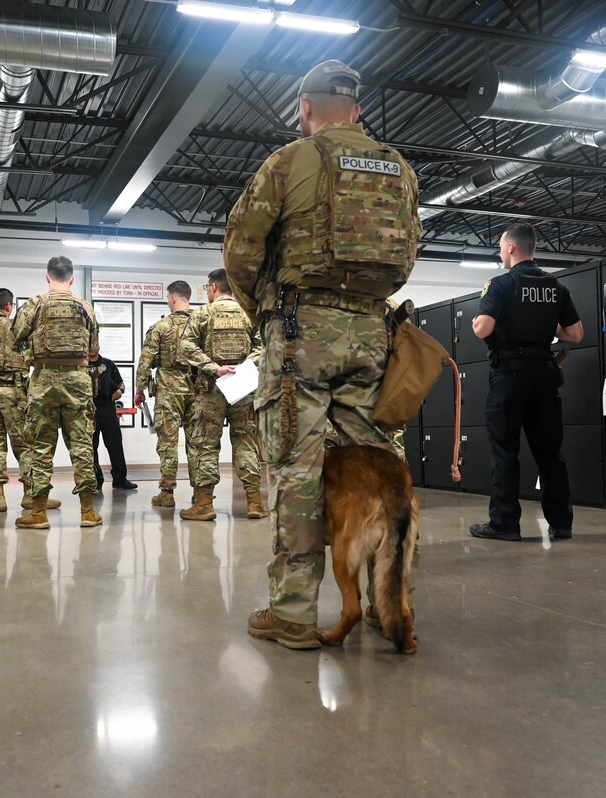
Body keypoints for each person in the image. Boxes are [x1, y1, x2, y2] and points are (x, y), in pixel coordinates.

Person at [225, 60, 422, 649]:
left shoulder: (289, 161)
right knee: (375, 466)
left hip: (298, 336)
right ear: (357, 111)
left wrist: (262, 311)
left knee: (297, 470)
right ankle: (392, 604)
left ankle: (293, 614)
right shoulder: (399, 168)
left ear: (305, 109)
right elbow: (407, 254)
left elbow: (241, 248)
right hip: (370, 334)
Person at [470, 222, 583, 542]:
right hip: (545, 375)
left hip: (509, 374)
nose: (500, 253)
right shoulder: (556, 286)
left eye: (501, 247)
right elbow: (575, 334)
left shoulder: (501, 284)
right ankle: (561, 522)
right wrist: (545, 327)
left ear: (511, 248)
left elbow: (483, 330)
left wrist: (479, 318)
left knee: (505, 450)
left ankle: (505, 523)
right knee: (550, 452)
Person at [11, 256, 102, 529]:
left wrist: (33, 356)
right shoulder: (85, 306)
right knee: (82, 446)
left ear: (47, 277)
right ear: (72, 278)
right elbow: (94, 348)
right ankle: (88, 512)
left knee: (40, 446)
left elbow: (15, 339)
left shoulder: (34, 305)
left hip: (43, 381)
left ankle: (38, 513)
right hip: (78, 379)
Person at [176, 268, 267, 522]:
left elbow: (186, 347)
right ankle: (255, 503)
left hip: (211, 389)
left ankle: (204, 504)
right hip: (243, 387)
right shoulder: (249, 314)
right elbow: (263, 347)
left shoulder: (204, 313)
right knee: (246, 442)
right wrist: (243, 367)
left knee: (206, 444)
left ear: (214, 287)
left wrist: (215, 368)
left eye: (206, 288)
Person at [0, 288, 62, 514]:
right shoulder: (16, 327)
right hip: (13, 392)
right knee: (25, 444)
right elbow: (30, 356)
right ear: (9, 306)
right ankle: (31, 495)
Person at [135, 280, 199, 508]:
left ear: (172, 298)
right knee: (198, 443)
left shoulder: (160, 327)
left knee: (168, 442)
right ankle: (200, 496)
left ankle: (167, 493)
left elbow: (145, 362)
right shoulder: (202, 323)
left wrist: (139, 390)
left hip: (168, 390)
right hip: (198, 389)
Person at [89, 349, 138, 492]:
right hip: (88, 409)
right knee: (91, 446)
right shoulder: (81, 365)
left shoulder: (108, 364)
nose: (93, 347)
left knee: (115, 444)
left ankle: (120, 479)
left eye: (96, 344)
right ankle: (95, 480)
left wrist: (120, 391)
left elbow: (121, 384)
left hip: (107, 407)